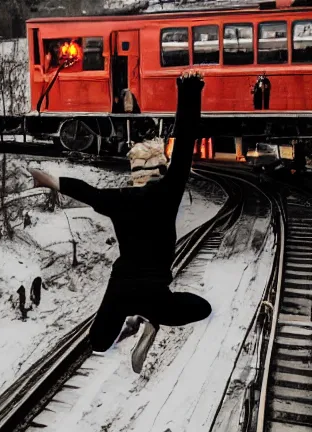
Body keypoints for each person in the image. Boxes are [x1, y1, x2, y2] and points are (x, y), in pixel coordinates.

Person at [28, 70, 212, 373]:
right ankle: (146, 318)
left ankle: (132, 318)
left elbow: (87, 192)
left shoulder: (118, 199)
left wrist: (48, 180)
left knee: (98, 343)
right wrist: (189, 91)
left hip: (121, 288)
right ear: (160, 169)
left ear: (134, 171)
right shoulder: (168, 193)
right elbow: (184, 145)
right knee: (202, 308)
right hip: (155, 291)